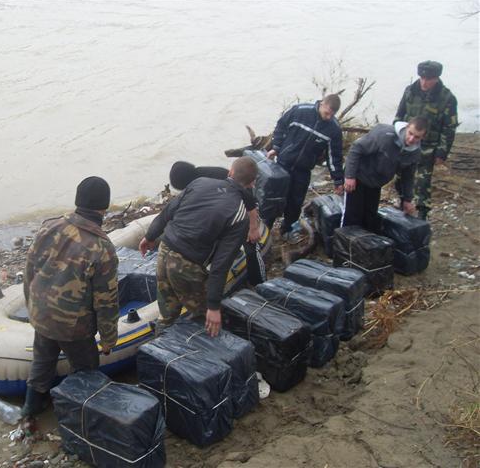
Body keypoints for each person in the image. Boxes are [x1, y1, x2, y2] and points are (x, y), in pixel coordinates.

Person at [21, 176, 119, 417]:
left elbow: (29, 270)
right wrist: (108, 339)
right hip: (73, 326)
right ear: (104, 207)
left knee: (42, 362)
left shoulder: (48, 226)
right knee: (86, 368)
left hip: (41, 314)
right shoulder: (101, 247)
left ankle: (30, 409)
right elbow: (106, 300)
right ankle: (82, 416)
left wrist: (32, 306)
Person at [139, 157, 258, 337]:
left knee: (167, 313)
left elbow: (167, 213)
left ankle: (161, 343)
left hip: (164, 250)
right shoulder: (239, 215)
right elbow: (221, 264)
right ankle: (204, 355)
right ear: (252, 183)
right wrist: (213, 306)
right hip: (187, 265)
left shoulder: (200, 182)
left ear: (230, 172)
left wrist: (149, 236)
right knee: (206, 318)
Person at [169, 160, 265, 286]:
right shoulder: (193, 185)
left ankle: (259, 283)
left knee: (251, 247)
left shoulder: (215, 176)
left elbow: (248, 198)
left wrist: (253, 228)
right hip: (223, 213)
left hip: (244, 206)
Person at [267, 94, 345, 240]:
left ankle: (287, 229)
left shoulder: (333, 129)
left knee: (296, 201)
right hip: (283, 163)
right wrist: (276, 146)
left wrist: (338, 180)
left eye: (332, 115)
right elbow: (281, 125)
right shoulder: (300, 111)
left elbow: (334, 157)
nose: (328, 117)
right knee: (275, 198)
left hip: (303, 170)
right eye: (327, 113)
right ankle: (266, 227)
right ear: (322, 104)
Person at [394, 60, 458, 220]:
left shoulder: (447, 98)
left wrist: (442, 152)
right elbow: (399, 116)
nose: (424, 82)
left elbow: (449, 128)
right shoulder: (410, 91)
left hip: (428, 147)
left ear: (436, 78)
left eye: (428, 79)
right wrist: (395, 136)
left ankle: (422, 215)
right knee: (399, 178)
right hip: (407, 142)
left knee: (422, 183)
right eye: (422, 78)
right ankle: (403, 205)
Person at [341, 117, 428, 232]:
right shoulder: (384, 135)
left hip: (376, 183)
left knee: (370, 217)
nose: (411, 139)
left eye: (417, 137)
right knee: (352, 216)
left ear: (422, 137)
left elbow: (408, 177)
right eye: (410, 133)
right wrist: (350, 176)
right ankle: (343, 246)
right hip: (358, 176)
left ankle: (363, 247)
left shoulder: (414, 153)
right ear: (406, 128)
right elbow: (356, 149)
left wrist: (407, 199)